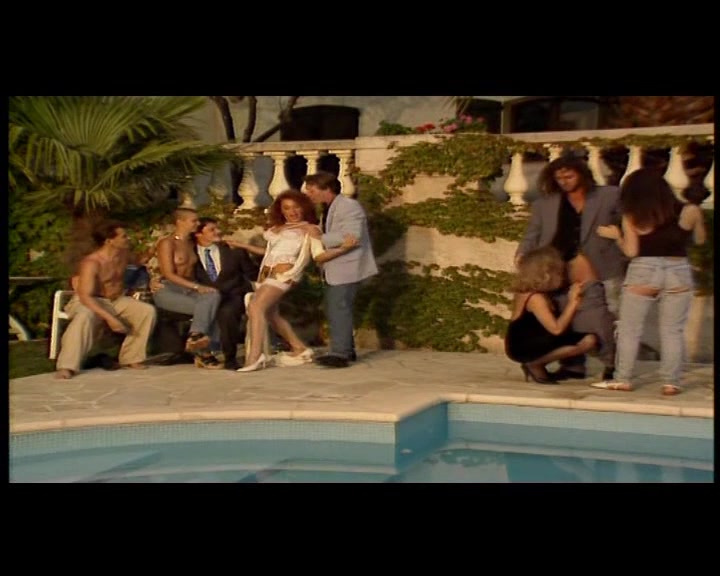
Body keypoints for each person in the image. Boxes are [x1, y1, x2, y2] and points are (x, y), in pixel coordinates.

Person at [592, 168, 707, 395]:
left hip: (644, 269)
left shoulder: (632, 215)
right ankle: (671, 382)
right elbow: (700, 240)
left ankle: (623, 378)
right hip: (678, 270)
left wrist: (617, 237)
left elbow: (631, 251)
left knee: (629, 329)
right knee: (672, 330)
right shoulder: (690, 210)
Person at [515, 155, 625, 381]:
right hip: (558, 270)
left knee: (604, 318)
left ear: (582, 174)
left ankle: (612, 364)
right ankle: (574, 366)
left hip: (602, 266)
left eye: (569, 176)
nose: (564, 181)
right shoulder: (545, 203)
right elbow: (532, 233)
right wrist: (522, 253)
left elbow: (631, 219)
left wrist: (619, 236)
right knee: (567, 316)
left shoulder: (609, 195)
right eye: (559, 178)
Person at [230, 189, 359, 372]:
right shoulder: (276, 229)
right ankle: (299, 348)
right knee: (271, 314)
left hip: (284, 276)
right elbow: (269, 253)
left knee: (255, 306)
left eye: (296, 207)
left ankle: (255, 356)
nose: (292, 211)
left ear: (304, 208)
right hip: (265, 275)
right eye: (287, 208)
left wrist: (344, 248)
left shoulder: (310, 229)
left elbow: (319, 255)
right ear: (281, 210)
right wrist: (241, 245)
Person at [55, 221, 157, 379]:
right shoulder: (92, 262)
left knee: (146, 311)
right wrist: (110, 319)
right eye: (123, 236)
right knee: (85, 316)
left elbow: (140, 260)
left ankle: (131, 358)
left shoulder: (123, 254)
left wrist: (155, 249)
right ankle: (67, 366)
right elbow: (85, 296)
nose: (128, 238)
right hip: (90, 300)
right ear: (109, 241)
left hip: (116, 300)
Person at [302, 171, 379, 368]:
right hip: (336, 267)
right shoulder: (329, 207)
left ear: (326, 188)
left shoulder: (348, 206)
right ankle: (346, 350)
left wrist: (320, 237)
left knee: (339, 308)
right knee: (337, 308)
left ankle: (340, 353)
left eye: (312, 190)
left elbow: (352, 236)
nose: (308, 194)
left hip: (347, 267)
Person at [505, 246, 597, 384]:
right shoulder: (535, 298)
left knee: (588, 338)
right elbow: (556, 329)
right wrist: (573, 302)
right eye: (559, 273)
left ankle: (536, 364)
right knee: (587, 342)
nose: (562, 277)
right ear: (546, 274)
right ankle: (534, 364)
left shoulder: (537, 293)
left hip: (537, 339)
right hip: (524, 346)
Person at [152, 208, 223, 369]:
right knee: (207, 307)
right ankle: (204, 353)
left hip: (189, 289)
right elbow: (168, 273)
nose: (197, 224)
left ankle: (195, 337)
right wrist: (197, 287)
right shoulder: (167, 243)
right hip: (169, 289)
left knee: (214, 296)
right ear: (180, 222)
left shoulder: (192, 243)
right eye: (193, 221)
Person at [193, 217, 259, 371]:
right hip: (206, 297)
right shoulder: (191, 254)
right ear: (198, 234)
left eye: (217, 228)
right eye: (212, 230)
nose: (218, 232)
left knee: (227, 312)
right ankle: (201, 353)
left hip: (233, 294)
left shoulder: (234, 251)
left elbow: (253, 273)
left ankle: (230, 358)